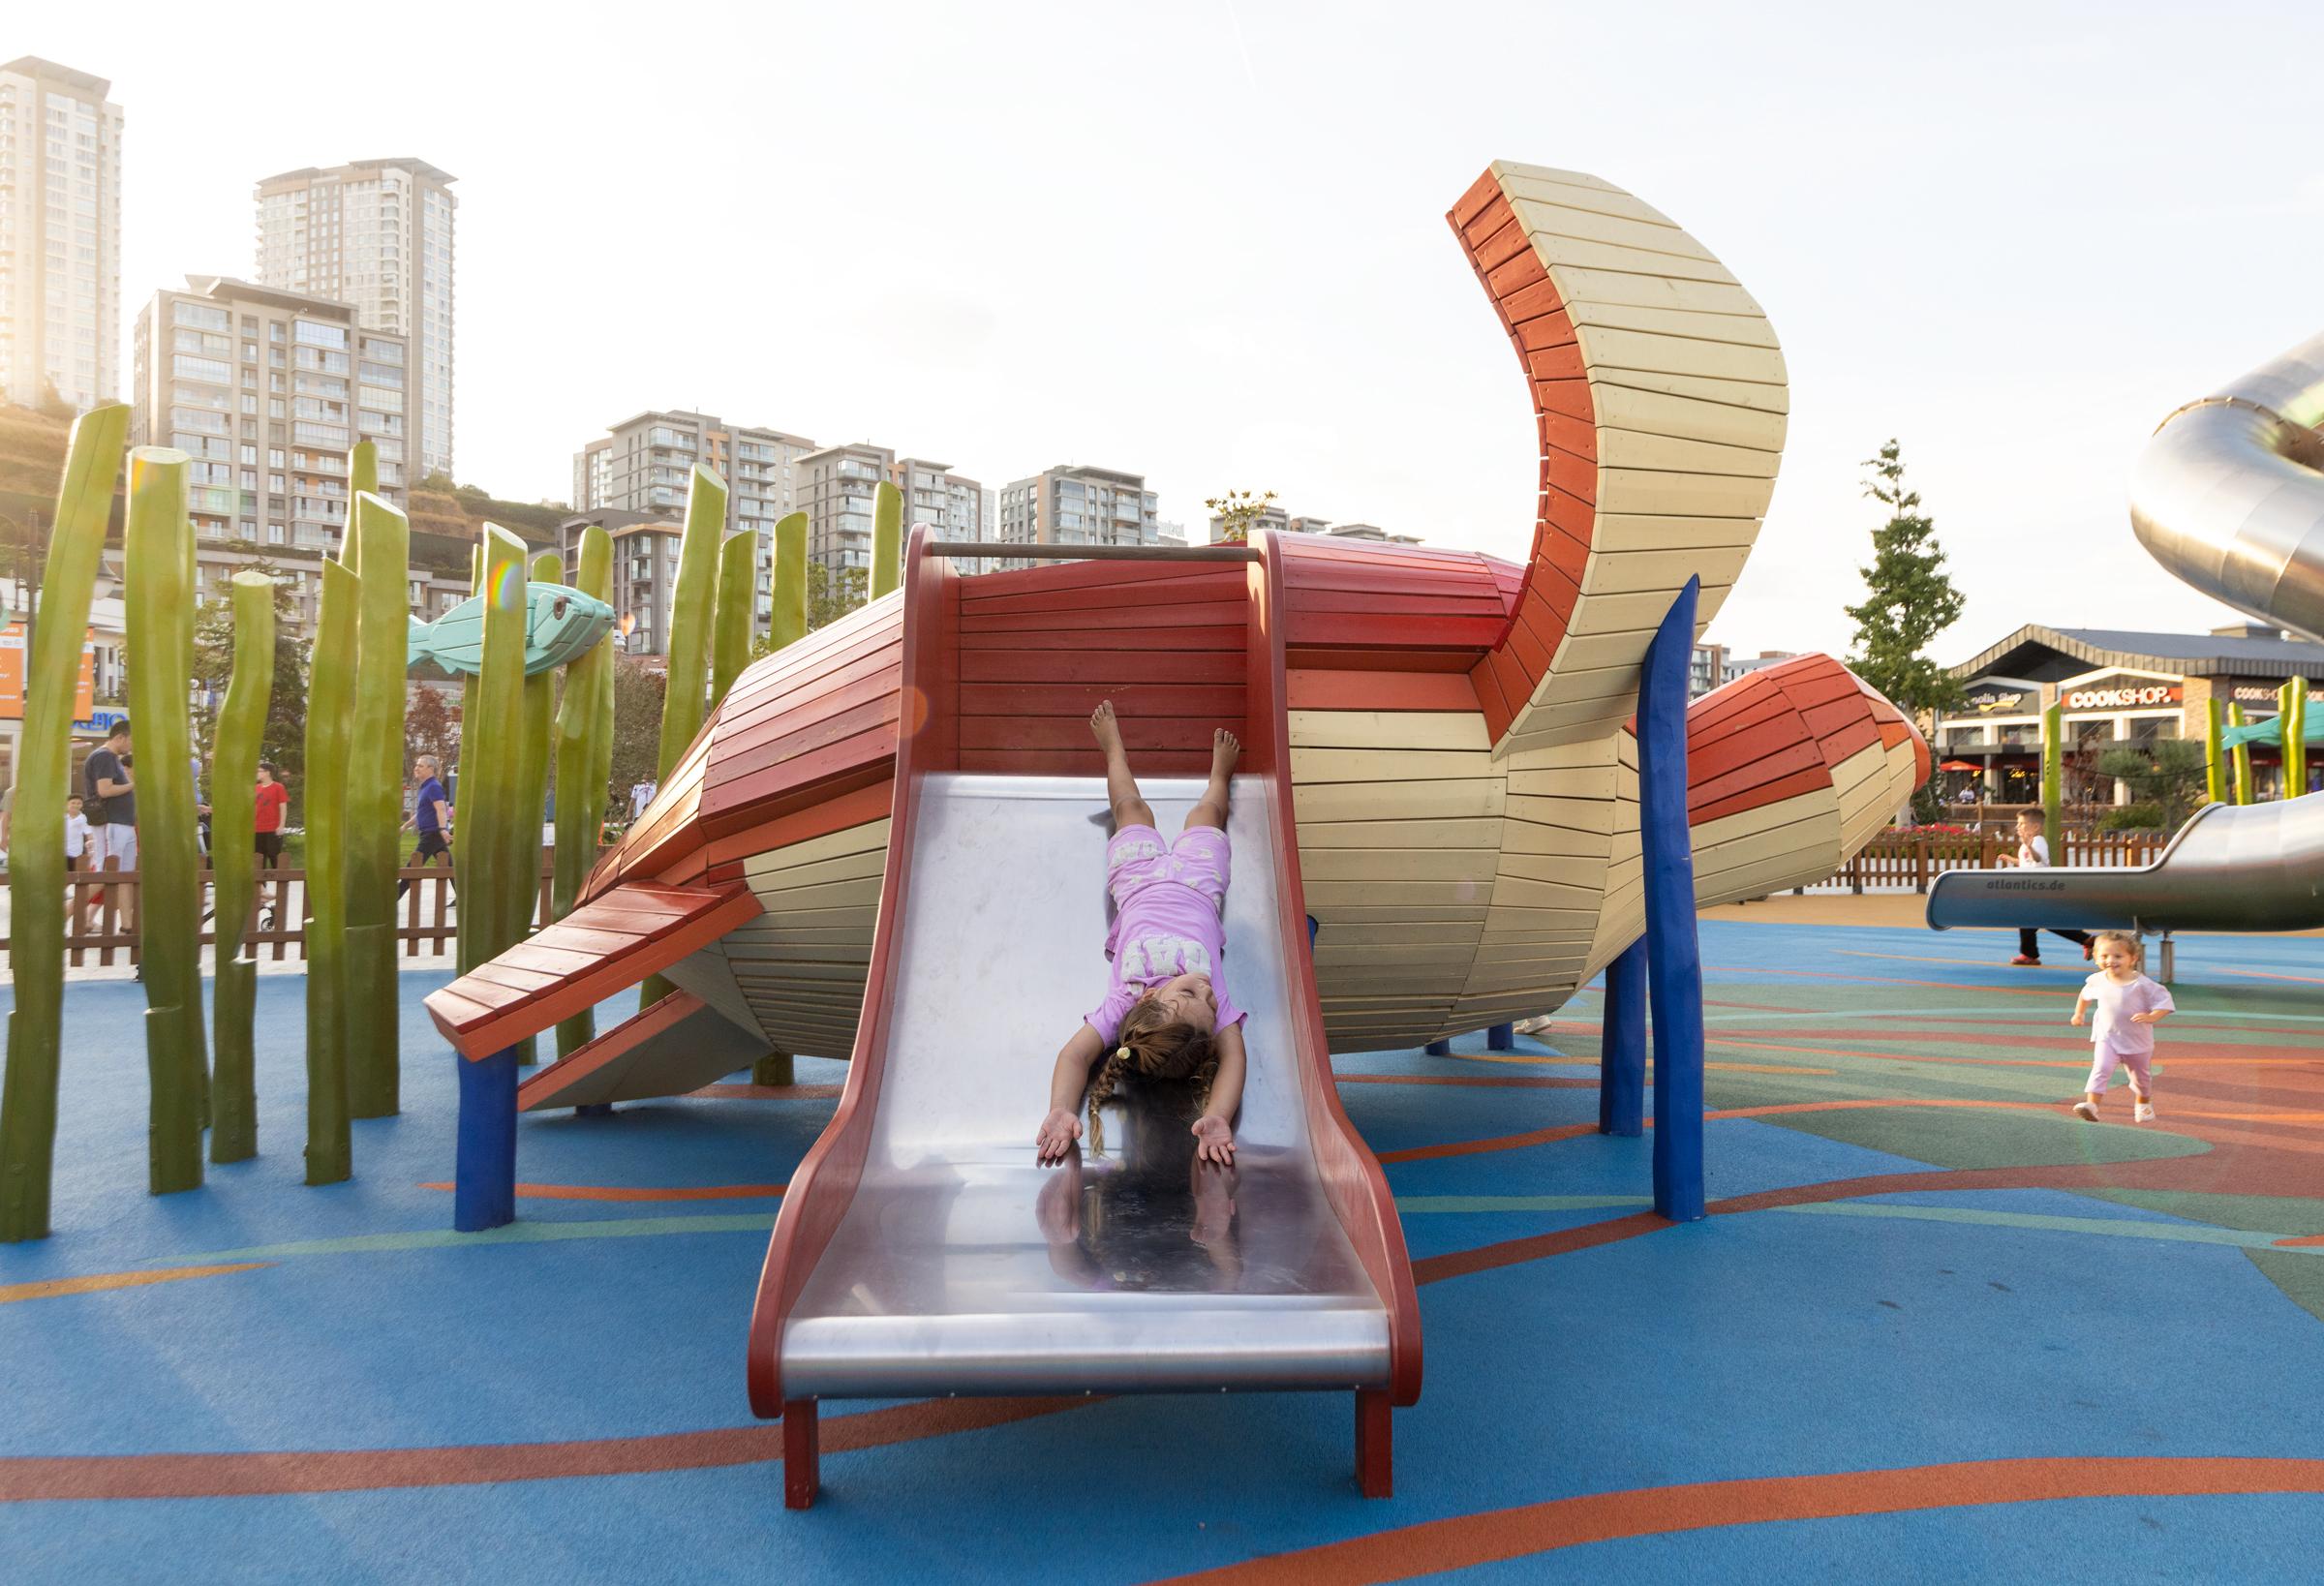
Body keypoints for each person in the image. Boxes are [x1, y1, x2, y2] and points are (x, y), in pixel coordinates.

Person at [1035, 702, 1248, 1169]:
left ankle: (1113, 750)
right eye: (1212, 1004)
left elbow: (1075, 1056)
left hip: (1137, 882)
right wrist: (1218, 1116)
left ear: (1155, 998)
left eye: (1195, 992)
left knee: (1131, 810)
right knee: (1207, 814)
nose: (1211, 992)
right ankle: (1220, 773)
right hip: (1198, 883)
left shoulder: (1124, 1004)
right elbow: (1233, 1059)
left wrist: (1060, 1109)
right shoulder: (1206, 1015)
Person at [2069, 930, 2172, 1123]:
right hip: (2107, 1038)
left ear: (2133, 958)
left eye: (2118, 956)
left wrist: (2152, 1016)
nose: (2111, 961)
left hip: (2137, 1042)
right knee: (2101, 1068)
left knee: (2140, 1079)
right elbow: (2084, 995)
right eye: (2104, 956)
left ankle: (2143, 1104)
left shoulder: (2142, 985)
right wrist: (2079, 1013)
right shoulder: (2098, 980)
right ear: (2096, 958)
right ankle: (2092, 1105)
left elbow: (2164, 1002)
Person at [1993, 808, 2092, 965]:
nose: (2018, 827)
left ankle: (2030, 954)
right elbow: (2028, 863)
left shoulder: (2038, 841)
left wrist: (2029, 847)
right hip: (2031, 889)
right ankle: (2086, 940)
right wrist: (2012, 860)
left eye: (2022, 824)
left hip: (2040, 888)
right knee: (2038, 921)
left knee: (2032, 921)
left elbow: (2038, 859)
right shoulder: (2025, 845)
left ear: (2036, 827)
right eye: (2018, 823)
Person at [397, 755, 453, 900]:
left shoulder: (433, 786)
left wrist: (442, 829)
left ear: (431, 769)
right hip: (431, 834)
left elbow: (441, 809)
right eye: (416, 765)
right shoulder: (426, 787)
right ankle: (466, 899)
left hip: (432, 834)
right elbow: (421, 813)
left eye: (420, 766)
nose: (416, 768)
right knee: (450, 868)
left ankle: (390, 902)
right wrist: (404, 826)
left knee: (412, 869)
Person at [253, 762, 290, 926]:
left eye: (259, 771)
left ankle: (281, 889)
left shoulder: (278, 787)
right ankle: (262, 891)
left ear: (267, 772)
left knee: (274, 857)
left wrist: (281, 825)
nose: (257, 773)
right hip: (257, 829)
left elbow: (283, 807)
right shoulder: (256, 788)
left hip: (272, 828)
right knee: (258, 859)